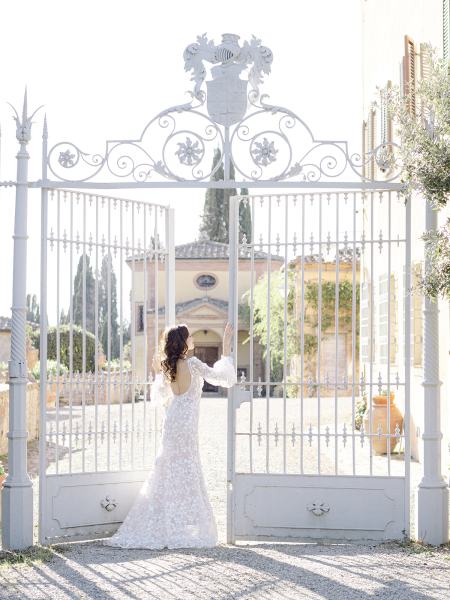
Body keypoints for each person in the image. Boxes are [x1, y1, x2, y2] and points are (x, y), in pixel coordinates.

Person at [103, 322, 236, 549]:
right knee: (188, 466)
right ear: (183, 342)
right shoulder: (192, 364)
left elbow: (160, 396)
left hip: (173, 420)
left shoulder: (170, 365)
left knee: (166, 467)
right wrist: (225, 348)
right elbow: (222, 378)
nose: (192, 338)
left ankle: (166, 521)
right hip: (186, 423)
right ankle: (183, 522)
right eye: (189, 336)